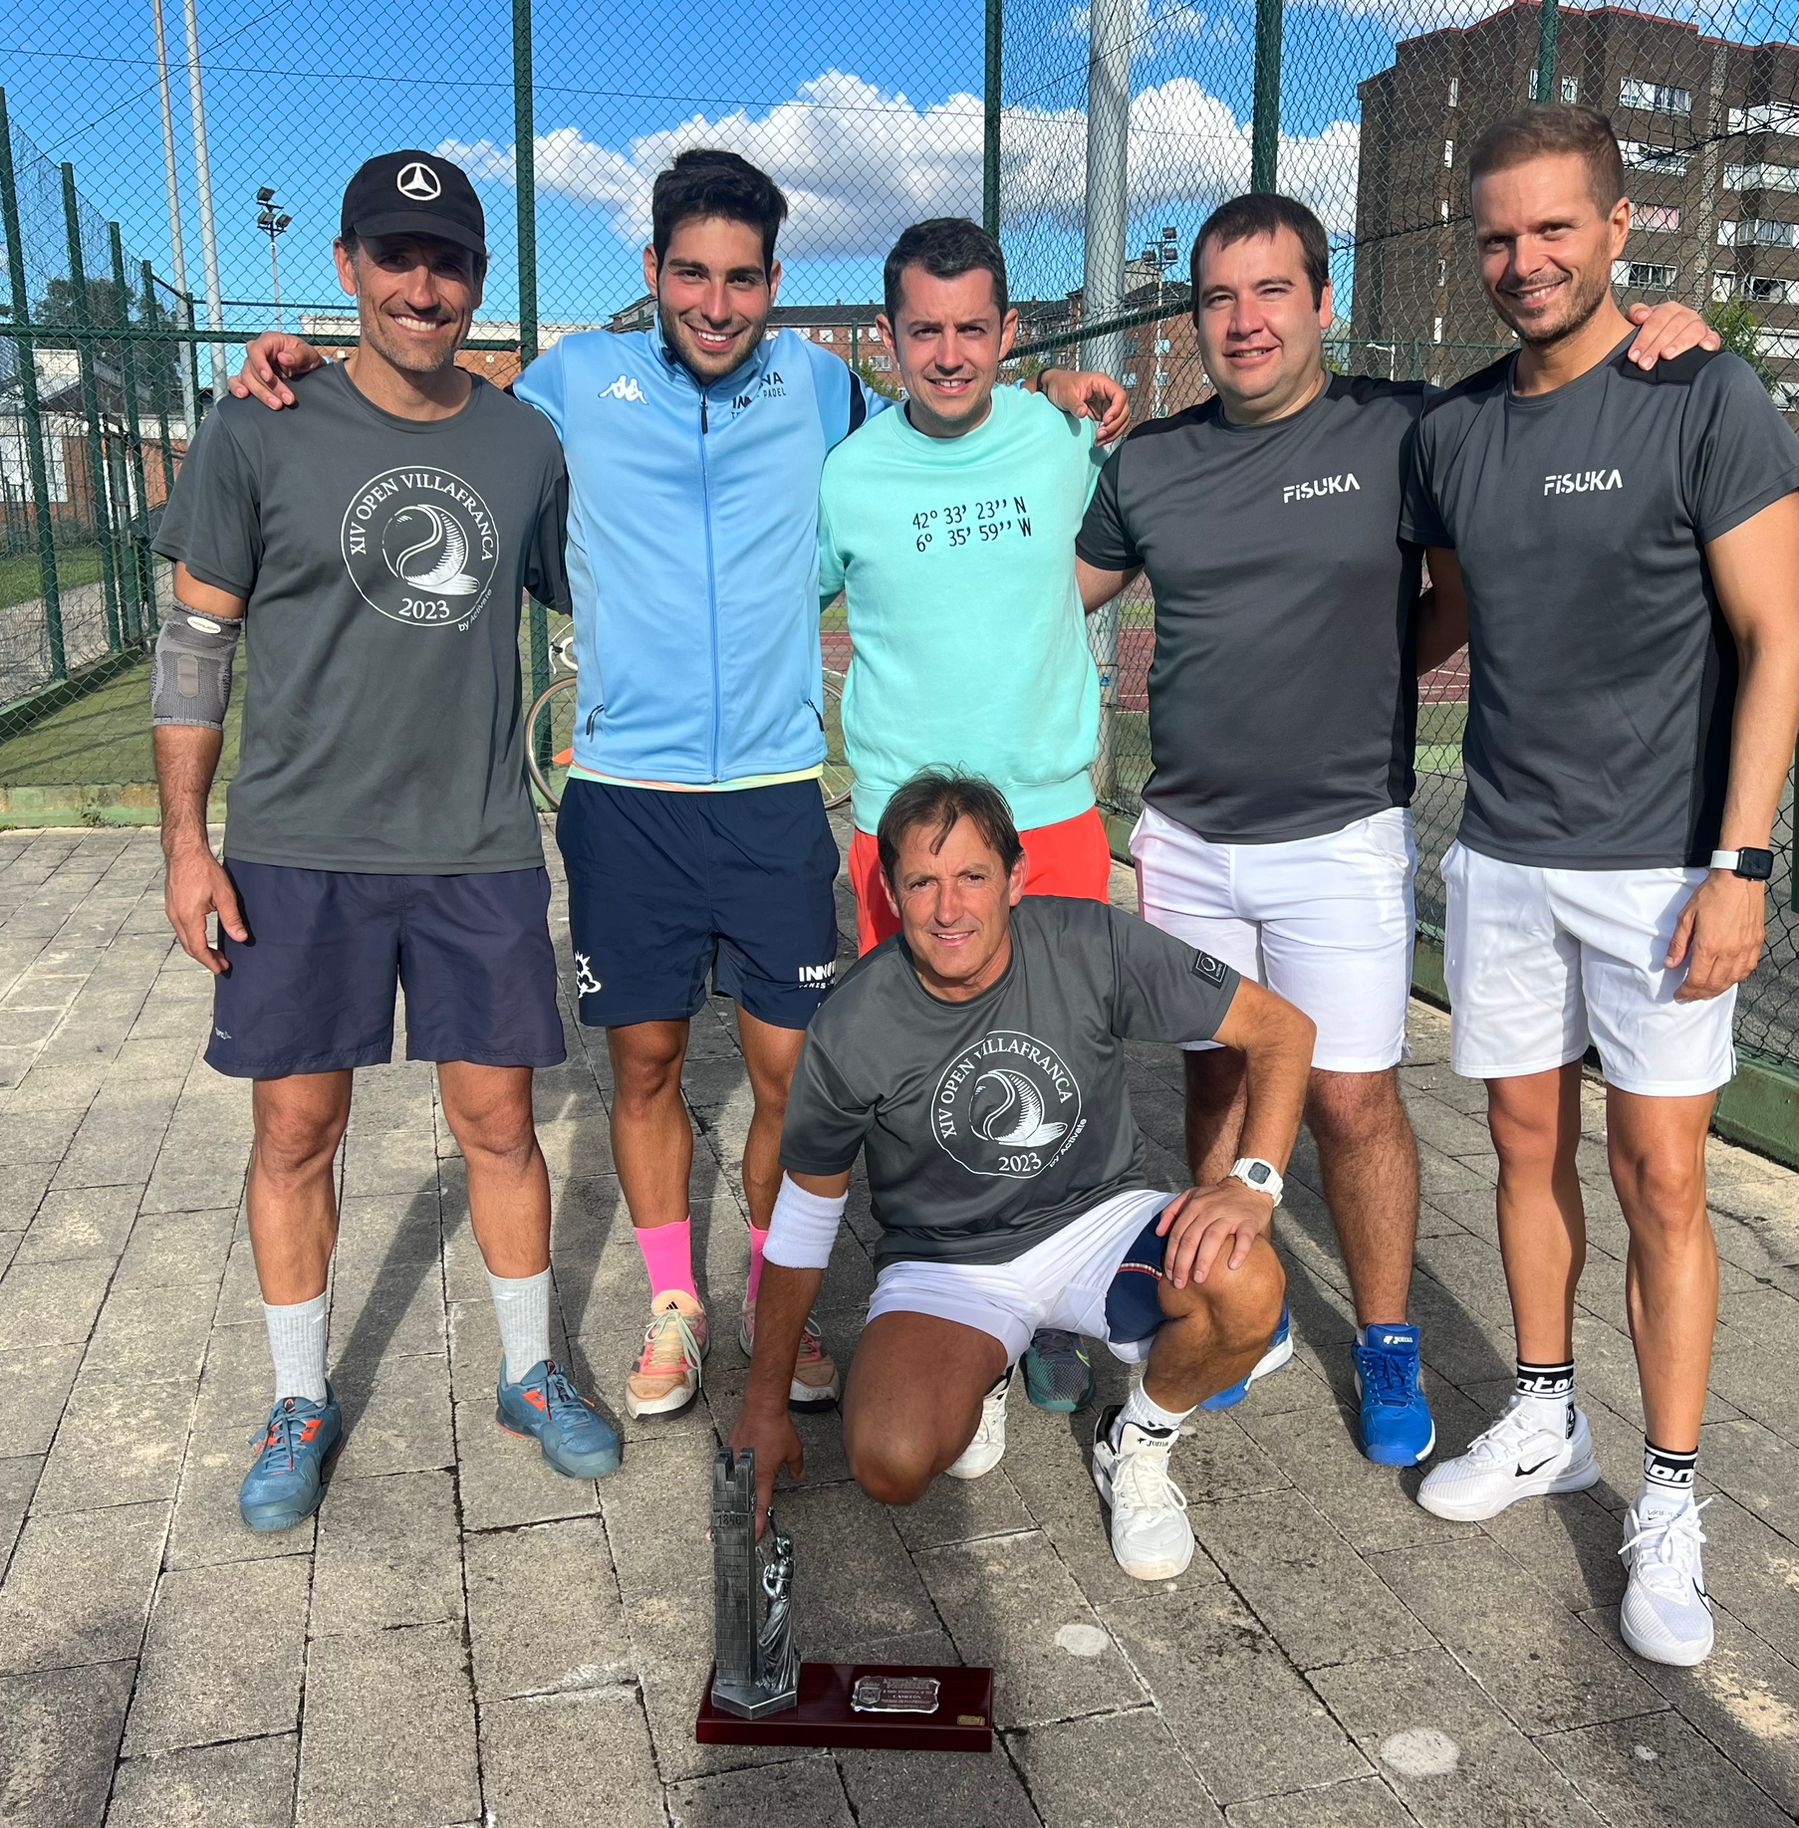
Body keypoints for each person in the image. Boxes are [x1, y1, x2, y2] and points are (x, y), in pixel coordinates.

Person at [228, 152, 1127, 1429]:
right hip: (623, 798)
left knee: (791, 1079)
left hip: (770, 796)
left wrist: (1047, 389)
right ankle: (671, 1307)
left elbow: (955, 419)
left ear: (774, 284)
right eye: (691, 273)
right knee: (643, 1067)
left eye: (743, 278)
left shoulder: (827, 392)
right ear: (650, 272)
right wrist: (297, 366)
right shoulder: (562, 391)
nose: (716, 302)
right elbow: (418, 397)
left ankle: (782, 1314)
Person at [1073, 191, 1720, 1459]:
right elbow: (1046, 590)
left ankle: (1383, 1341)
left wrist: (1660, 325)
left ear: (1322, 302)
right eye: (1216, 297)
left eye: (1271, 292)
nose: (1243, 321)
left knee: (1349, 1100)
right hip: (1189, 840)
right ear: (1192, 316)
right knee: (1211, 1069)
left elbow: (1503, 488)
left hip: (1339, 838)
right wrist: (1030, 424)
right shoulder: (1147, 463)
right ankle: (1230, 1313)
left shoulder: (1404, 430)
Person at [1400, 106, 1799, 1668]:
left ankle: (1670, 1496)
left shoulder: (1703, 392)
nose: (1525, 261)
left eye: (1555, 228)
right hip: (1504, 850)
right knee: (1521, 1143)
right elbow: (1434, 622)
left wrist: (1740, 863)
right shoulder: (1452, 433)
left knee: (1661, 1180)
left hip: (1664, 869)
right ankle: (1548, 1417)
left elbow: (1781, 644)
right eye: (1499, 236)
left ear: (1619, 226)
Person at [151, 150, 619, 1533]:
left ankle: (531, 1372)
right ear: (349, 266)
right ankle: (301, 1396)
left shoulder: (525, 442)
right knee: (299, 1126)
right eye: (397, 256)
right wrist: (186, 845)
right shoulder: (260, 425)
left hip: (474, 843)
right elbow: (194, 645)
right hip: (298, 846)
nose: (425, 285)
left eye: (451, 260)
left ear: (477, 278)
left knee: (497, 1120)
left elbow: (602, 571)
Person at [729, 771, 1314, 1581]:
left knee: (1247, 1285)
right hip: (948, 1261)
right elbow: (804, 1218)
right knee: (888, 1463)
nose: (949, 907)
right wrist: (764, 1402)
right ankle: (987, 1363)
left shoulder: (1090, 941)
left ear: (1015, 877)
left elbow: (1281, 1029)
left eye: (973, 876)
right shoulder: (852, 1023)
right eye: (922, 882)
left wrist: (1252, 1184)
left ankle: (1137, 1443)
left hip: (1099, 1219)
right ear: (892, 895)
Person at [817, 215, 1122, 1417]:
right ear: (886, 337)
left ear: (1007, 332)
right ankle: (950, 1297)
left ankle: (1051, 1299)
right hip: (905, 830)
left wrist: (1066, 395)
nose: (947, 355)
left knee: (1069, 1064)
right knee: (921, 1078)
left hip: (1047, 815)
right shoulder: (848, 475)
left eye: (971, 330)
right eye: (922, 331)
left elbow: (1119, 531)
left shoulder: (1061, 438)